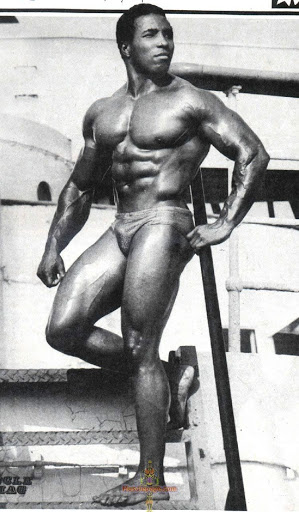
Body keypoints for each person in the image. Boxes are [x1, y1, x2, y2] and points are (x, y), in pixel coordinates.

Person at [37, 3, 269, 506]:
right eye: (151, 35)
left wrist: (225, 222)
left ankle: (150, 477)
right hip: (121, 224)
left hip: (166, 220)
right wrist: (54, 245)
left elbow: (252, 152)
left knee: (140, 340)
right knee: (63, 328)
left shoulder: (192, 101)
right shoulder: (103, 111)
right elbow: (79, 187)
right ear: (127, 47)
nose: (164, 42)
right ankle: (171, 378)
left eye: (168, 33)